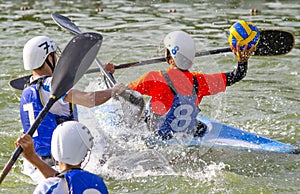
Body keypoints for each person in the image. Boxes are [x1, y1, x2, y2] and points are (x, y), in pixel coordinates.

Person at [20, 35, 126, 183]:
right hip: (60, 166)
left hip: (34, 166)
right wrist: (113, 90)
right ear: (48, 58)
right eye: (54, 56)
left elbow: (65, 81)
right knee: (109, 151)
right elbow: (90, 100)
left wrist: (103, 72)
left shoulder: (27, 90)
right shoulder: (51, 85)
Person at [125, 30, 256, 140]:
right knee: (200, 127)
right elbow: (237, 75)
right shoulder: (200, 81)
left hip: (156, 136)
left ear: (169, 58)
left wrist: (110, 74)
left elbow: (124, 93)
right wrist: (242, 60)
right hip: (184, 136)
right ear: (190, 61)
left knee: (145, 112)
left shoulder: (154, 78)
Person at [15, 121, 109, 194]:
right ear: (85, 154)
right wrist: (32, 157)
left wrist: (32, 156)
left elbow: (59, 183)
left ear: (55, 149)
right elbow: (64, 181)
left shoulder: (48, 186)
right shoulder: (98, 183)